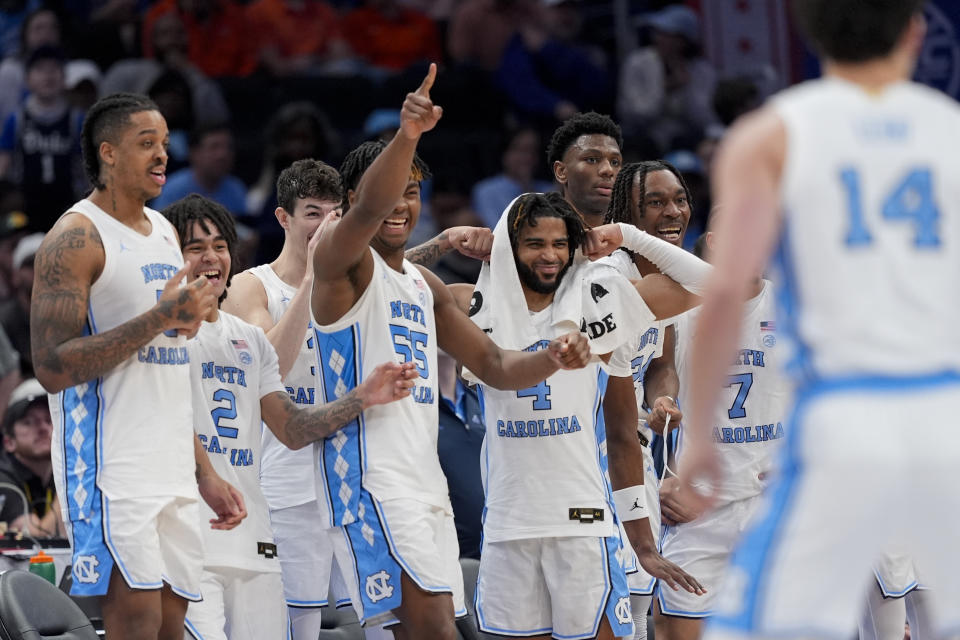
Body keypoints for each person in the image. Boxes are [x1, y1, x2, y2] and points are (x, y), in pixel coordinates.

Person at [676, 0, 960, 636]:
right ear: (916, 33)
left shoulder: (768, 135)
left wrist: (698, 438)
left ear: (807, 34)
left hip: (844, 414)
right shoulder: (951, 131)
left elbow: (724, 296)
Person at [309, 64, 591, 639]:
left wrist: (553, 357)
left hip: (422, 480)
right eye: (394, 190)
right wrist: (408, 134)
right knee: (433, 630)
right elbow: (367, 210)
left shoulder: (422, 283)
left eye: (415, 193)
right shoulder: (340, 263)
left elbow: (493, 364)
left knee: (424, 630)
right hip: (369, 478)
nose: (402, 205)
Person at [221, 156, 491, 640]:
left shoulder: (362, 277)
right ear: (282, 218)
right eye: (311, 213)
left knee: (388, 623)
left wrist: (441, 243)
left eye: (334, 212)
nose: (326, 224)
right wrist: (312, 281)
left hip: (357, 478)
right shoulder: (252, 285)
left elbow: (393, 268)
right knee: (295, 626)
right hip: (291, 484)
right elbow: (271, 370)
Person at [30, 93, 244, 640]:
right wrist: (159, 319)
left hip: (170, 462)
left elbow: (165, 362)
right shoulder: (75, 236)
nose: (162, 156)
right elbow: (52, 366)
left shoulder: (165, 232)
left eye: (166, 144)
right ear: (108, 153)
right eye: (146, 143)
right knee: (137, 622)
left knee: (175, 626)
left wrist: (204, 472)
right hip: (111, 466)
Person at [162, 194, 418, 640]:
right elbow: (159, 420)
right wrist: (205, 473)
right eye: (195, 247)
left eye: (220, 246)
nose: (211, 258)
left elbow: (292, 430)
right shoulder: (159, 335)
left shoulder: (250, 341)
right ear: (172, 257)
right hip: (189, 541)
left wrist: (360, 398)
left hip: (255, 542)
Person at [463, 191, 703, 640]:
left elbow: (720, 284)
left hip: (583, 523)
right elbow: (376, 281)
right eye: (534, 243)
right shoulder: (475, 305)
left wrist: (630, 236)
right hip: (506, 524)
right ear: (508, 248)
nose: (550, 255)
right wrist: (442, 241)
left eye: (560, 243)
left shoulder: (602, 307)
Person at [652, 228, 787, 638]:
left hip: (772, 503)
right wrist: (655, 477)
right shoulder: (680, 309)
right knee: (675, 627)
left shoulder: (792, 306)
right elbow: (642, 390)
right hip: (700, 506)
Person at [601, 160, 699, 639]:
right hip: (589, 451)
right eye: (656, 202)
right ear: (629, 215)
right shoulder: (611, 276)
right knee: (613, 597)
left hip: (631, 445)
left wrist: (664, 400)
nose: (672, 211)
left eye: (679, 199)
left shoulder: (664, 277)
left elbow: (661, 366)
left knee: (641, 594)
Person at [0, 377, 60, 537]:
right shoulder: (3, 480)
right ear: (8, 442)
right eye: (29, 422)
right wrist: (73, 483)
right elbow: (37, 539)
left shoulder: (58, 473)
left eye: (49, 420)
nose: (43, 428)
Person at [547, 111, 623, 228]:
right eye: (592, 159)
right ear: (561, 172)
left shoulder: (637, 240)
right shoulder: (530, 225)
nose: (608, 170)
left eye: (615, 162)